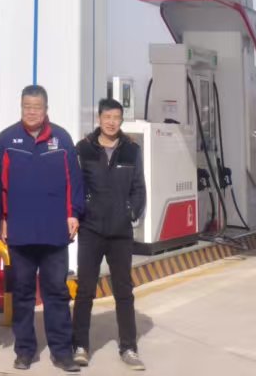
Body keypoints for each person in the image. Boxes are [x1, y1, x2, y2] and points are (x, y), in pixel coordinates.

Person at [0, 85, 85, 371]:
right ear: (21, 107)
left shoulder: (62, 139)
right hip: (19, 232)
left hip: (54, 232)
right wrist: (1, 218)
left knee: (56, 292)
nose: (31, 112)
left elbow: (74, 181)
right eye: (26, 106)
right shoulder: (7, 140)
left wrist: (73, 214)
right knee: (22, 294)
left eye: (37, 107)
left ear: (46, 109)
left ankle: (62, 351)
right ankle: (24, 350)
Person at [71, 98, 147, 371]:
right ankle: (80, 346)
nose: (111, 122)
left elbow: (139, 188)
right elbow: (76, 186)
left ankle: (129, 347)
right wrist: (80, 213)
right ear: (99, 118)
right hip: (91, 230)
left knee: (124, 291)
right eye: (107, 117)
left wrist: (130, 212)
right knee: (85, 290)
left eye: (116, 117)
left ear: (121, 120)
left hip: (120, 233)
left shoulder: (131, 150)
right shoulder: (83, 148)